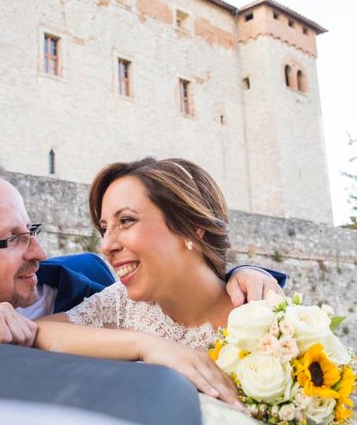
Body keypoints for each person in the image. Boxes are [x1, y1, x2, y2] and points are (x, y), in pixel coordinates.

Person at [0, 161, 285, 349]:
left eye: (30, 230)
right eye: (12, 239)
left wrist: (242, 271)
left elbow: (182, 283)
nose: (41, 251)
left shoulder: (87, 281)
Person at [29, 157, 281, 407]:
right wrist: (146, 345)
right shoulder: (121, 304)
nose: (105, 245)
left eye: (126, 220)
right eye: (104, 228)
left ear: (191, 227)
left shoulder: (270, 321)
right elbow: (38, 331)